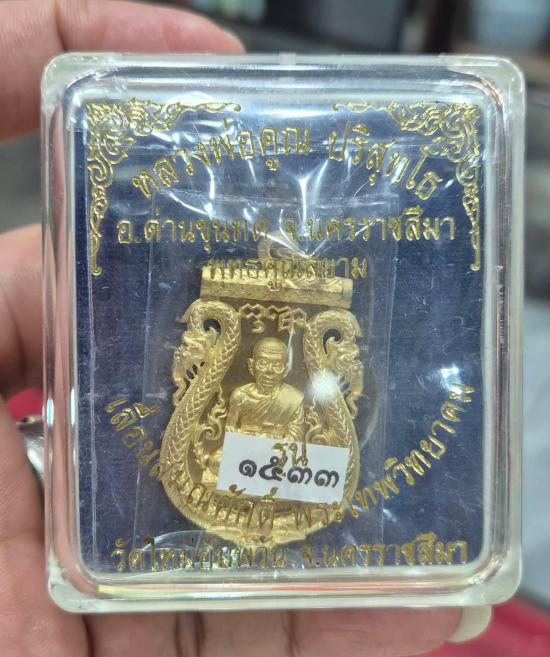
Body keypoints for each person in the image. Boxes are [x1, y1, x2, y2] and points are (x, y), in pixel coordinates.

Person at [0, 1, 487, 655]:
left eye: (272, 364)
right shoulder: (246, 392)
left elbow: (305, 428)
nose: (265, 368)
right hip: (208, 495)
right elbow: (218, 429)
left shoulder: (289, 394)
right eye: (259, 362)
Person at [226, 337, 304, 441]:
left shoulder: (293, 399)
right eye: (263, 363)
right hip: (244, 445)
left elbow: (296, 437)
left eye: (277, 365)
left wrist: (269, 441)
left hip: (276, 448)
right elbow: (230, 429)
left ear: (285, 370)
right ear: (251, 366)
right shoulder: (240, 395)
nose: (269, 371)